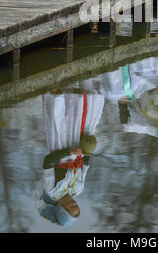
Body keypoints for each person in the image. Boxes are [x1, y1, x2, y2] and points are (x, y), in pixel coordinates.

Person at [35, 90, 104, 226]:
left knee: (61, 121)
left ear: (62, 209)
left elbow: (48, 162)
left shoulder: (52, 190)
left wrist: (69, 152)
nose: (74, 203)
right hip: (79, 147)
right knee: (84, 117)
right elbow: (85, 166)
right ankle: (79, 93)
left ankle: (59, 93)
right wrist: (90, 149)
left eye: (72, 207)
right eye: (76, 205)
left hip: (61, 145)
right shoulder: (78, 190)